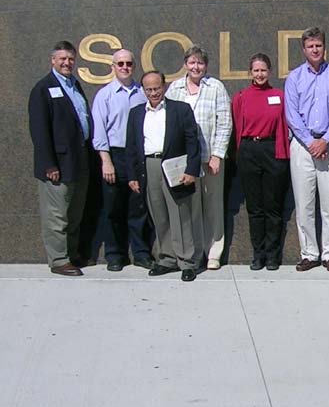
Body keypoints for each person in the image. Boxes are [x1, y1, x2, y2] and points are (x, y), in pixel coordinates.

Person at [126, 71, 201, 282]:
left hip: (175, 166)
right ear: (143, 90)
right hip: (148, 166)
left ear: (164, 87)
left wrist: (191, 170)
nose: (153, 93)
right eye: (148, 89)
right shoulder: (136, 114)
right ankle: (167, 258)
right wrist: (132, 175)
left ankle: (187, 262)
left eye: (157, 88)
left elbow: (192, 141)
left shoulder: (181, 109)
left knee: (180, 213)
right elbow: (131, 146)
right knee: (158, 213)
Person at [29, 41, 93, 276]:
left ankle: (71, 254)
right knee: (56, 216)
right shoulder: (43, 89)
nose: (67, 63)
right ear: (53, 60)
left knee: (74, 213)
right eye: (62, 59)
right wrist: (49, 164)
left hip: (79, 160)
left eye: (70, 59)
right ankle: (58, 260)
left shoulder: (74, 85)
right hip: (57, 165)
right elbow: (39, 130)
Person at [165, 46, 232, 270]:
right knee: (190, 207)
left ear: (206, 66)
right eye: (192, 63)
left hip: (209, 158)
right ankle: (193, 254)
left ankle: (213, 252)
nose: (196, 67)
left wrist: (217, 155)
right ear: (185, 64)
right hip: (184, 161)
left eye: (200, 63)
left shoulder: (216, 87)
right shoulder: (174, 88)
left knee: (213, 206)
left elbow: (224, 123)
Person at [285, 28, 329, 273]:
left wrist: (326, 139)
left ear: (324, 47)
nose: (315, 50)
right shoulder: (295, 77)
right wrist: (311, 141)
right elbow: (291, 114)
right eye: (310, 46)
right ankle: (309, 254)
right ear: (304, 49)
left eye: (318, 45)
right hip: (302, 146)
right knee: (305, 203)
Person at [90, 49, 154, 271]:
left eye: (129, 63)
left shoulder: (142, 93)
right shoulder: (104, 95)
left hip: (137, 156)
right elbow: (99, 132)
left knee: (139, 208)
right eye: (120, 64)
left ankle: (141, 253)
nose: (125, 67)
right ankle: (115, 255)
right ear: (113, 67)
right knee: (113, 208)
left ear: (134, 66)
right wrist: (105, 161)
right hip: (114, 156)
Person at [232, 53, 290, 271]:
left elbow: (284, 127)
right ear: (250, 72)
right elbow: (237, 126)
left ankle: (273, 255)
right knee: (255, 208)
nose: (259, 74)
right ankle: (258, 254)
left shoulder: (279, 96)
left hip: (272, 150)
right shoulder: (241, 97)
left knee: (273, 207)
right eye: (256, 70)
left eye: (263, 70)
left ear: (270, 72)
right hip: (249, 150)